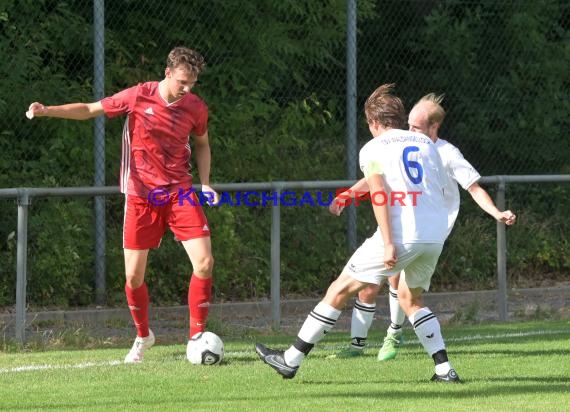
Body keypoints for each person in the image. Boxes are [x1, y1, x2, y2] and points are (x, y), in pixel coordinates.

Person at [256, 83, 461, 382]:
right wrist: (350, 193)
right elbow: (406, 180)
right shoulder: (425, 144)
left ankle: (290, 359)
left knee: (339, 289)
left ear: (375, 122)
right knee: (410, 298)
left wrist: (389, 243)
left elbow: (380, 191)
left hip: (401, 235)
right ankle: (444, 369)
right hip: (433, 235)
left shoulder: (373, 147)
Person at [26, 46, 220, 363]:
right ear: (168, 72)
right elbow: (89, 110)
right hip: (141, 195)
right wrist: (48, 110)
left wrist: (206, 181)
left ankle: (196, 338)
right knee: (133, 277)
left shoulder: (196, 108)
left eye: (192, 84)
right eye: (183, 81)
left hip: (179, 192)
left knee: (205, 263)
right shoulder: (138, 96)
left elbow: (202, 144)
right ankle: (143, 336)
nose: (187, 89)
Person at [331, 93, 517, 361]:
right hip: (403, 223)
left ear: (433, 128)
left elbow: (474, 187)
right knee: (378, 284)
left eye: (416, 127)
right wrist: (348, 195)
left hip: (428, 230)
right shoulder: (405, 143)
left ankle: (394, 334)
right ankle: (361, 345)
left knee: (397, 285)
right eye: (408, 125)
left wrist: (496, 212)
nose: (410, 131)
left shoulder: (446, 153)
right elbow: (376, 178)